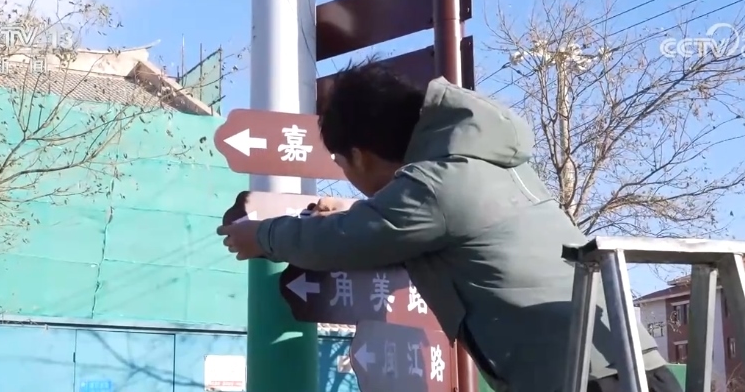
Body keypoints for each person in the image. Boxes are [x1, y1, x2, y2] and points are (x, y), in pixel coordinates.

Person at [218, 59, 682, 392]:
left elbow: (346, 240)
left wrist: (261, 235)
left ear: (359, 155)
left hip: (583, 378)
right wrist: (355, 209)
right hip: (631, 364)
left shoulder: (435, 188)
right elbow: (420, 220)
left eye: (341, 163)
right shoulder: (487, 163)